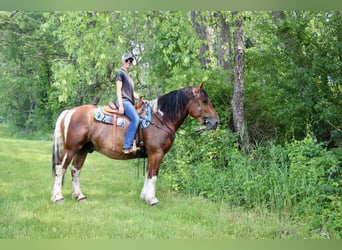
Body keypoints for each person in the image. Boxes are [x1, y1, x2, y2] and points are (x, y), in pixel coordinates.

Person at [115, 52, 144, 154]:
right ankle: (127, 146)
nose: (129, 62)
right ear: (123, 61)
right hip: (123, 101)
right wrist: (121, 105)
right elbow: (118, 90)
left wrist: (141, 99)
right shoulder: (120, 73)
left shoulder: (129, 77)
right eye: (127, 60)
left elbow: (132, 93)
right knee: (136, 119)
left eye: (131, 61)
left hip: (129, 102)